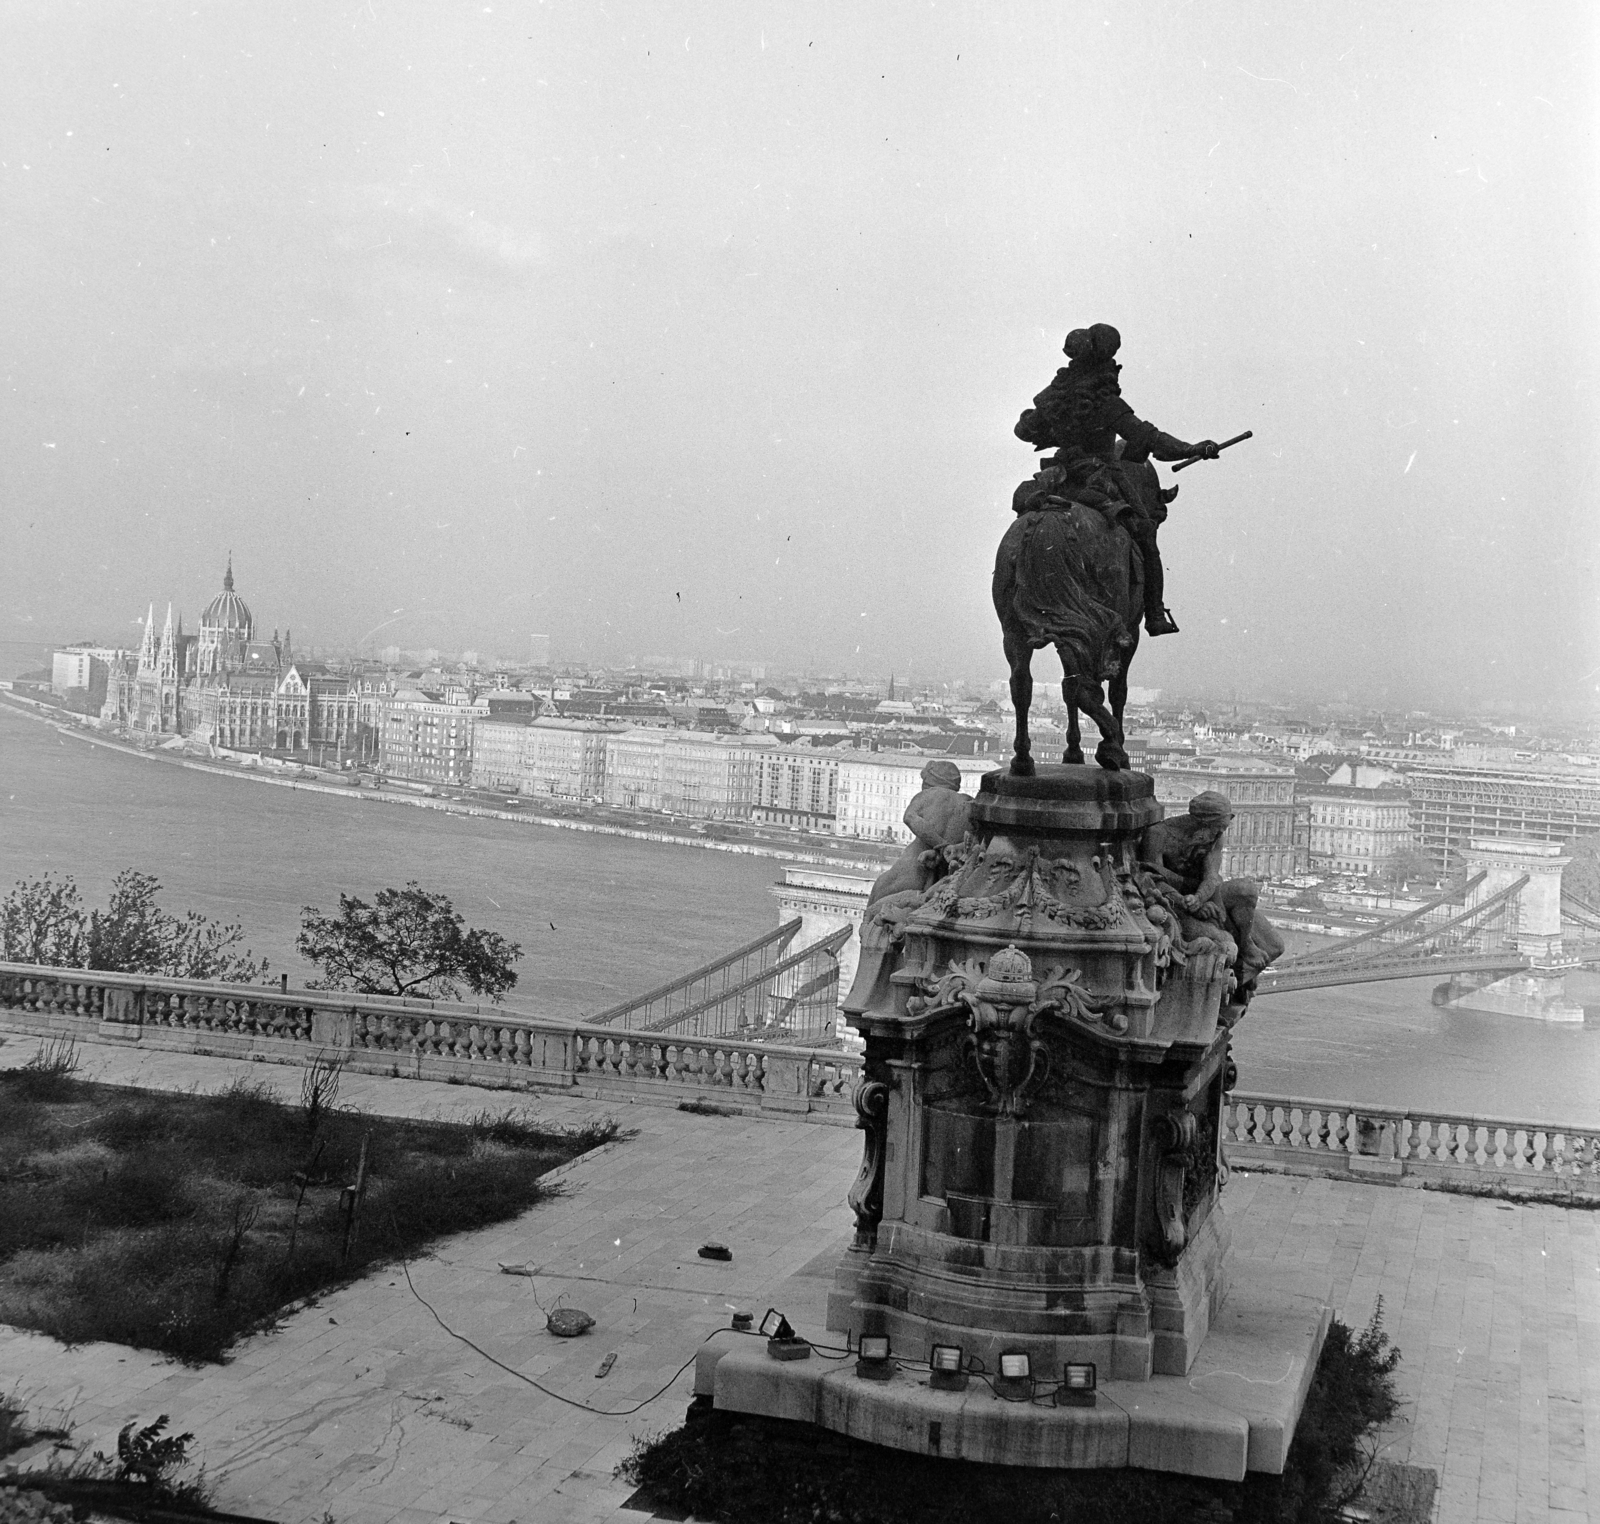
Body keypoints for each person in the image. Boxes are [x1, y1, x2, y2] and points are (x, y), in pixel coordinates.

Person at [1014, 323, 1219, 637]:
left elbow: (1023, 430)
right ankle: (1153, 614)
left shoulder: (1057, 398)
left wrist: (1046, 422)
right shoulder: (1106, 404)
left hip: (1055, 480)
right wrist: (1196, 448)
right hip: (1096, 481)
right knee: (1146, 537)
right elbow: (1152, 440)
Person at [844, 761, 973, 1015]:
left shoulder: (928, 795)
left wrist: (939, 846)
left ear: (930, 780)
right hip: (943, 875)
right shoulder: (968, 805)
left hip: (914, 866)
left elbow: (910, 818)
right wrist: (948, 850)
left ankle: (872, 986)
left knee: (874, 909)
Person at [1138, 790, 1284, 1000]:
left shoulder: (1214, 835)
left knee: (1274, 944)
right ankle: (1223, 994)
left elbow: (1211, 877)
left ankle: (1243, 954)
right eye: (1219, 828)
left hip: (1205, 898)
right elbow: (1154, 881)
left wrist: (1199, 898)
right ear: (1202, 822)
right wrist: (1186, 902)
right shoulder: (1158, 835)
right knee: (1223, 944)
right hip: (1176, 906)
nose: (1220, 833)